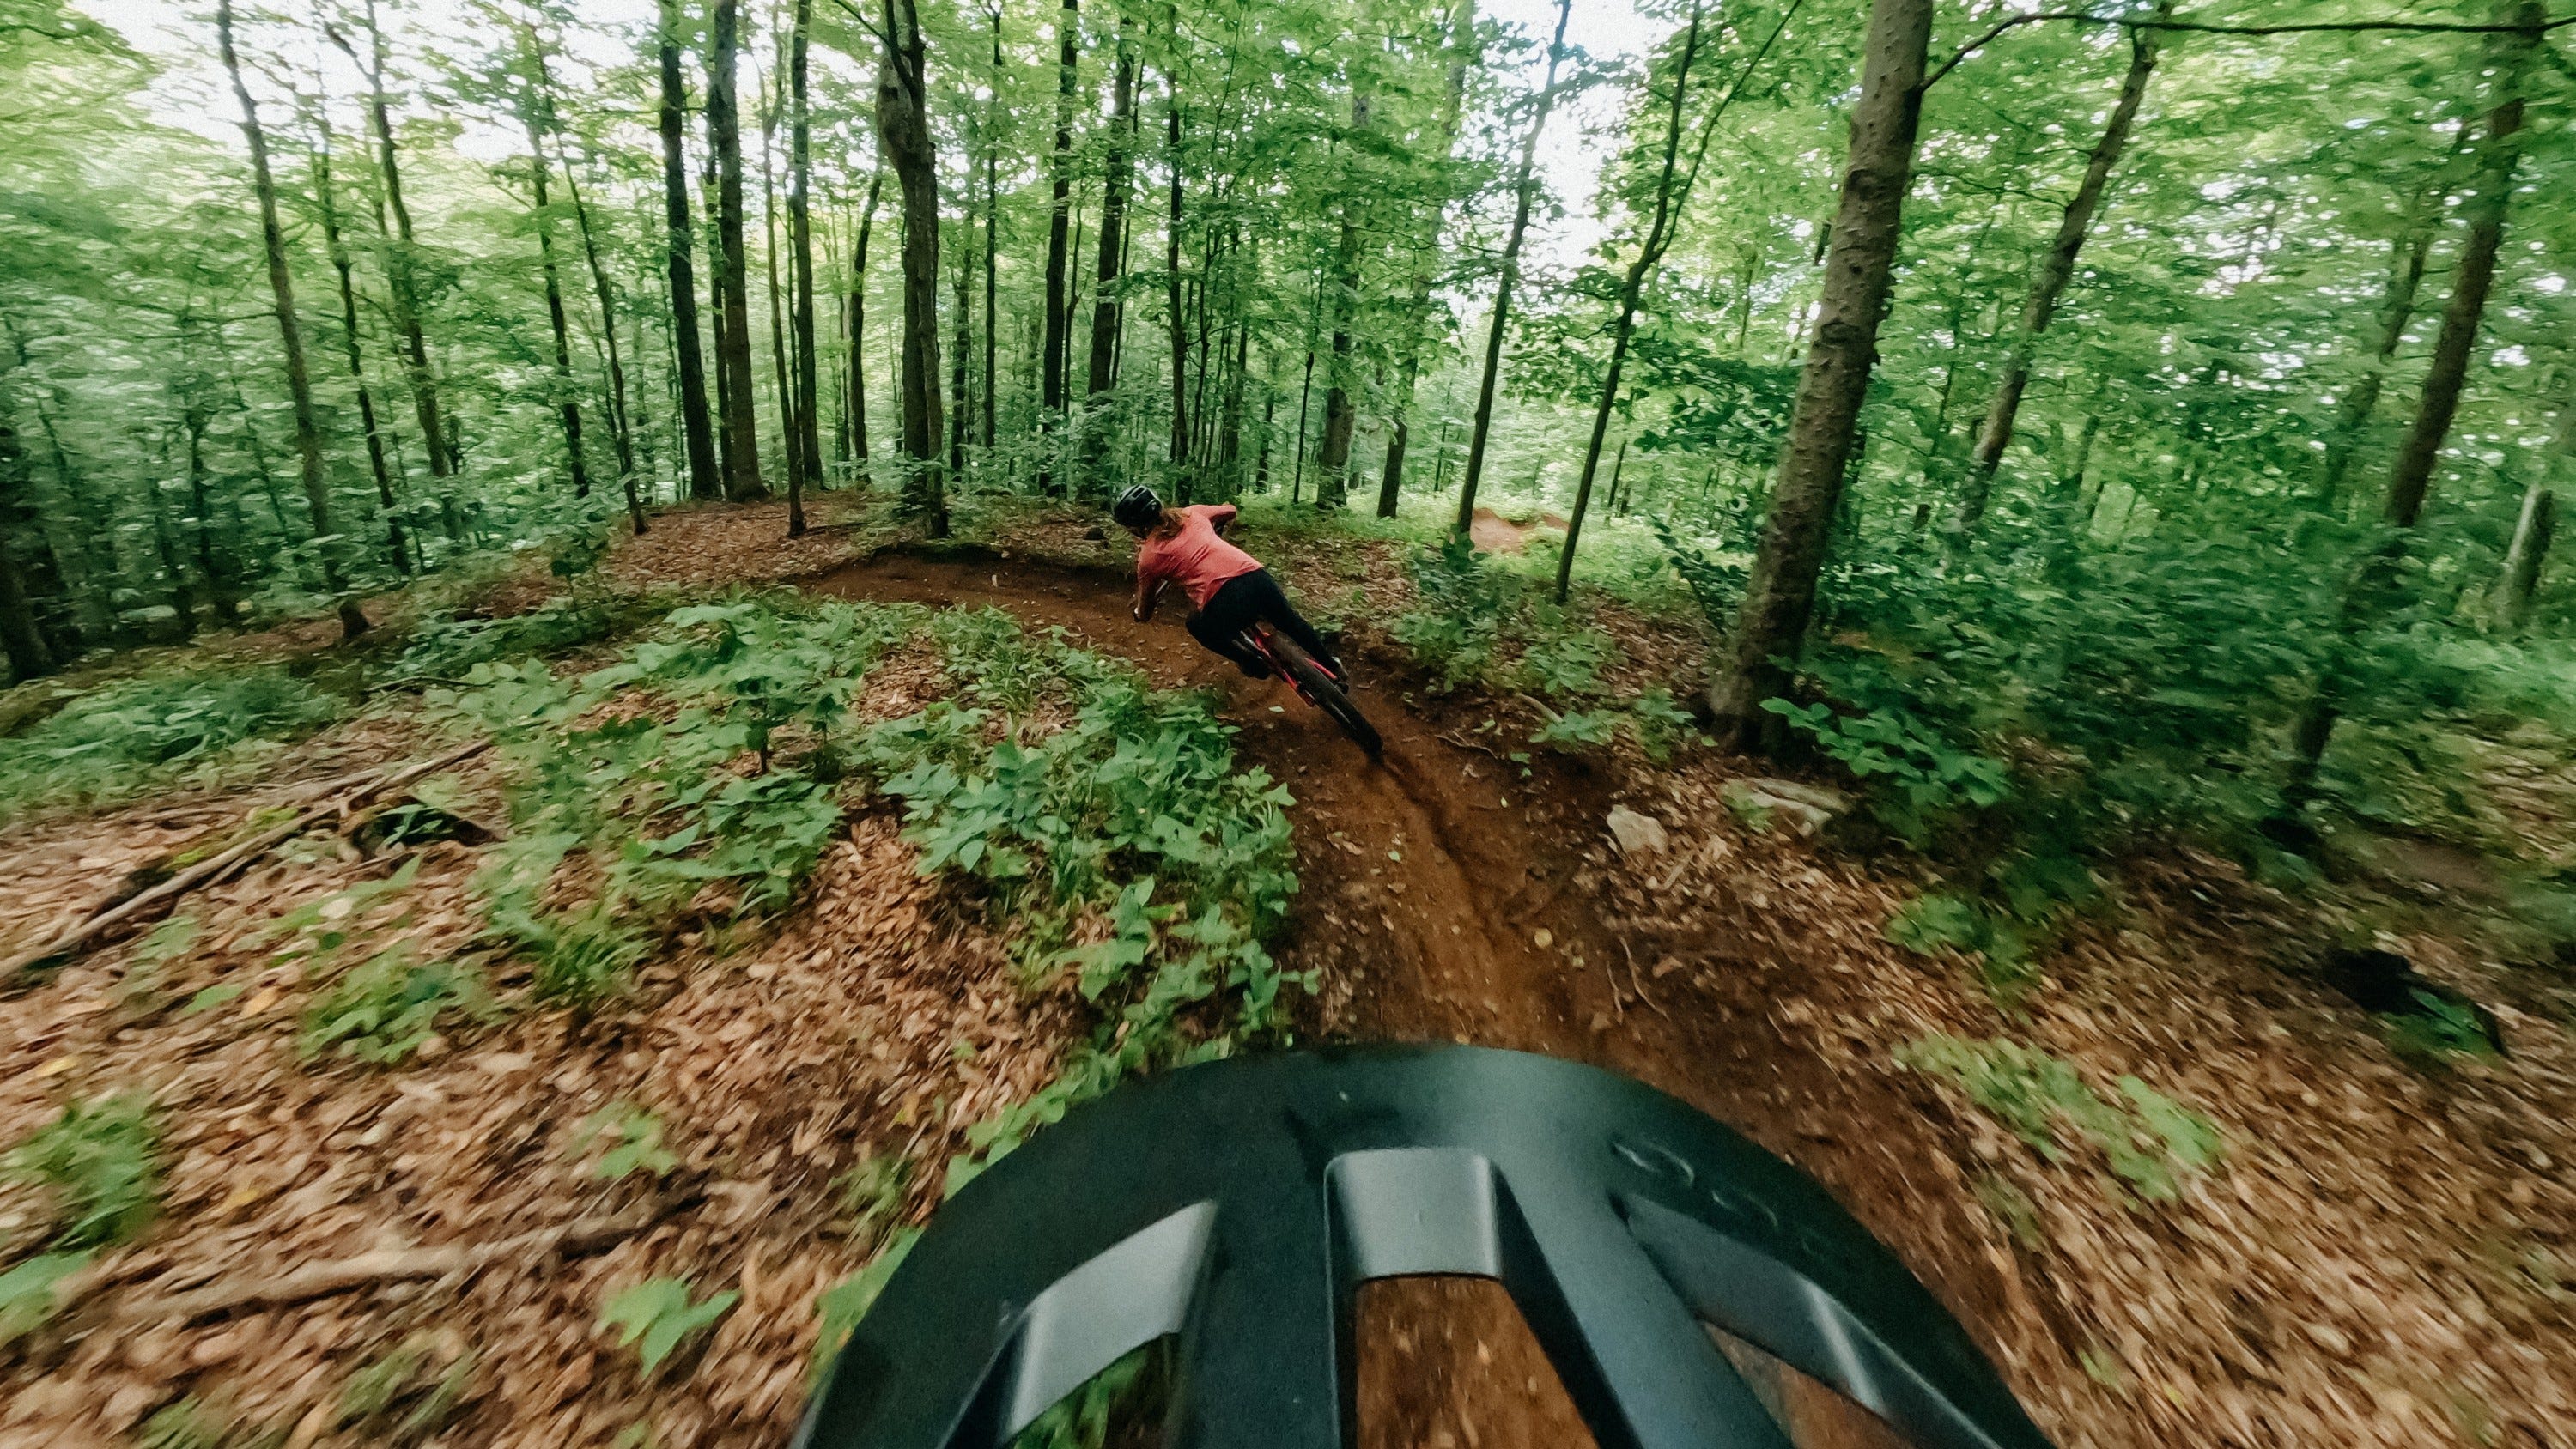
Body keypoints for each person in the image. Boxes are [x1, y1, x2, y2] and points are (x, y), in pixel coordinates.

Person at [1115, 485, 1346, 682]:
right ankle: (1332, 664)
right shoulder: (1192, 514)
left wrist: (1138, 613)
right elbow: (1231, 510)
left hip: (1224, 601)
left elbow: (1144, 611)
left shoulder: (1149, 557)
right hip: (1254, 575)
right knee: (1290, 621)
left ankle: (1252, 662)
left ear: (1135, 526)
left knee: (1196, 625)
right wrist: (1217, 526)